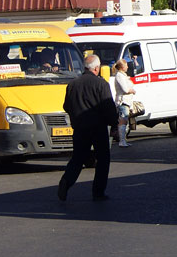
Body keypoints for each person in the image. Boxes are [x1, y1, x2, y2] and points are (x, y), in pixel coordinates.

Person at [58, 54, 118, 202]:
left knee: (78, 158)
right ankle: (98, 192)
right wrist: (114, 124)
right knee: (103, 159)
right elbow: (108, 106)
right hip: (98, 128)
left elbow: (66, 106)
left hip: (80, 128)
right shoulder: (101, 84)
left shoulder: (73, 84)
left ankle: (66, 181)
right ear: (96, 68)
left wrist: (75, 117)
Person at [112, 58, 136, 148]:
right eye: (126, 65)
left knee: (125, 121)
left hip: (126, 102)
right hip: (122, 102)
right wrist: (132, 90)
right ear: (122, 67)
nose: (127, 67)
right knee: (123, 121)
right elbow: (125, 89)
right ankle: (121, 141)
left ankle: (123, 140)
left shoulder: (123, 75)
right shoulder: (120, 76)